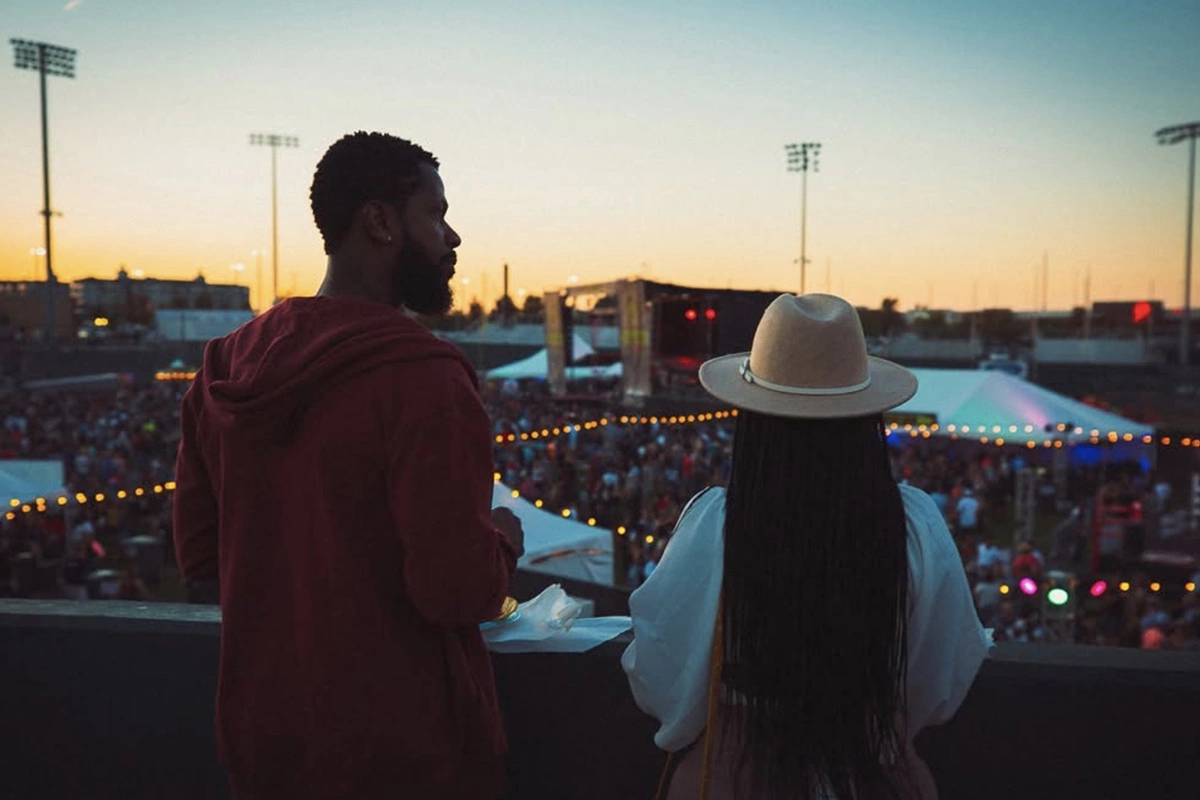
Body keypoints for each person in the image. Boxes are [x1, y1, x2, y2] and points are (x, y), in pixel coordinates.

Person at [174, 132, 525, 800]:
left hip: (265, 740)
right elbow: (455, 589)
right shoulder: (424, 376)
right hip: (406, 755)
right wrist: (504, 534)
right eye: (436, 214)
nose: (452, 238)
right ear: (380, 221)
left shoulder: (223, 366)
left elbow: (198, 557)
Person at [622, 293, 990, 799]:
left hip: (739, 776)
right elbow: (942, 676)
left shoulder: (716, 525)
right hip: (876, 777)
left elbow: (661, 672)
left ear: (753, 416)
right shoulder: (914, 525)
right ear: (867, 416)